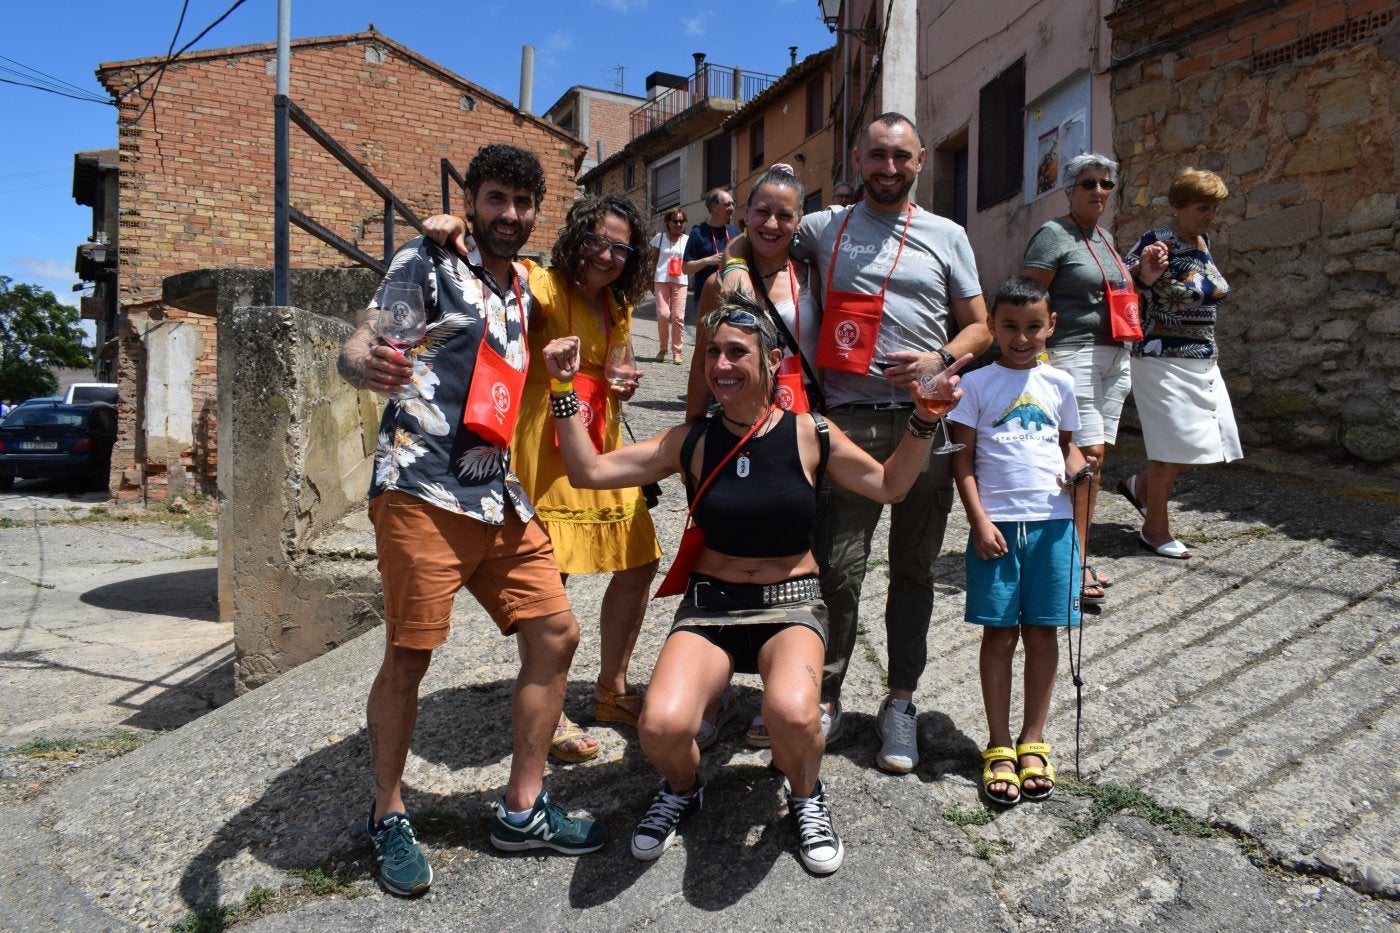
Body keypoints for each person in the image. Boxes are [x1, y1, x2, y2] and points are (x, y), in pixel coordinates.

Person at [539, 295, 962, 873]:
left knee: (792, 715)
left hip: (790, 605)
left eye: (737, 352)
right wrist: (563, 388)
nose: (720, 364)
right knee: (659, 728)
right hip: (711, 606)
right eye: (712, 353)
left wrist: (924, 419)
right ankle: (684, 788)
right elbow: (589, 473)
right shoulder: (688, 441)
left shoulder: (812, 433)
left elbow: (889, 485)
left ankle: (807, 795)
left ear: (769, 364)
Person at [336, 143, 602, 896]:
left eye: (522, 203)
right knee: (411, 654)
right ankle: (388, 812)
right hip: (421, 487)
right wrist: (365, 361)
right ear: (473, 201)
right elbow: (364, 341)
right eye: (495, 199)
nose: (508, 215)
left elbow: (600, 269)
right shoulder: (426, 260)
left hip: (496, 492)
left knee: (556, 632)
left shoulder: (522, 287)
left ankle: (523, 808)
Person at [725, 112, 992, 775]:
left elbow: (981, 329)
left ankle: (900, 699)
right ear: (857, 158)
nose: (889, 168)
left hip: (923, 423)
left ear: (921, 159)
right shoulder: (823, 227)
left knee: (914, 569)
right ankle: (827, 690)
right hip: (845, 423)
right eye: (877, 156)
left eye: (901, 156)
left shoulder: (947, 235)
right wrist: (728, 271)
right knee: (837, 569)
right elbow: (759, 239)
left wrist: (939, 356)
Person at [515, 195, 662, 759]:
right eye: (599, 240)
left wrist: (620, 384)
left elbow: (615, 368)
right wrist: (456, 232)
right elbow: (495, 284)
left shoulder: (617, 307)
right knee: (551, 579)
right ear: (576, 237)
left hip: (601, 446)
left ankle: (610, 689)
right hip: (546, 450)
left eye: (621, 247)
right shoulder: (543, 286)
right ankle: (547, 709)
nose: (608, 254)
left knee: (639, 560)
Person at [948, 276, 1091, 806]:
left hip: (1053, 528)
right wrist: (978, 521)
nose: (1022, 337)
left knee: (1044, 634)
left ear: (1050, 327)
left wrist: (1081, 472)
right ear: (992, 327)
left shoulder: (1060, 386)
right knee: (1000, 636)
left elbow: (1067, 450)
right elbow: (962, 460)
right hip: (998, 530)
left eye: (1034, 327)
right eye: (1009, 326)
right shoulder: (977, 386)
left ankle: (1033, 738)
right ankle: (999, 742)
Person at [1020, 152, 1132, 605]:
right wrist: (1037, 353)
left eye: (1106, 184)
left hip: (1114, 354)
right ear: (1069, 190)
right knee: (1085, 457)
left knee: (1095, 463)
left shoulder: (1104, 237)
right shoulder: (1054, 234)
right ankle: (1067, 564)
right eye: (1088, 183)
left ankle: (1075, 555)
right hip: (1073, 352)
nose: (1099, 192)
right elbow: (1029, 295)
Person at [1120, 167, 1242, 559]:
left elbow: (1207, 295)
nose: (1210, 215)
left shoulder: (1202, 241)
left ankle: (1140, 487)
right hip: (1160, 358)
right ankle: (1154, 529)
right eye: (1202, 207)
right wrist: (1142, 271)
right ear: (1177, 206)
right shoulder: (1157, 241)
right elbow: (1122, 285)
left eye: (1214, 207)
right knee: (1170, 450)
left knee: (1212, 442)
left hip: (1202, 358)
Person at [685, 166, 821, 424]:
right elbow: (701, 363)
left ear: (799, 221)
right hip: (739, 423)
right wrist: (691, 433)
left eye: (784, 215)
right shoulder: (718, 284)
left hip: (803, 423)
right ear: (746, 215)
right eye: (762, 212)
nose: (771, 224)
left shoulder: (813, 279)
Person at [681, 188, 739, 313]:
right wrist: (708, 260)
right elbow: (685, 268)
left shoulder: (735, 232)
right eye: (727, 204)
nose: (732, 208)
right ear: (714, 207)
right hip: (706, 299)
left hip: (732, 299)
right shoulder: (698, 233)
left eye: (733, 204)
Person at [651, 208, 690, 364]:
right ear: (668, 222)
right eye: (675, 221)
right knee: (663, 315)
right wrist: (650, 279)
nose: (678, 224)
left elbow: (691, 260)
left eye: (681, 221)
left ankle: (677, 351)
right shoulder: (659, 238)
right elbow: (653, 261)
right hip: (661, 279)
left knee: (678, 317)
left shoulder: (688, 239)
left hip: (680, 281)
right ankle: (663, 348)